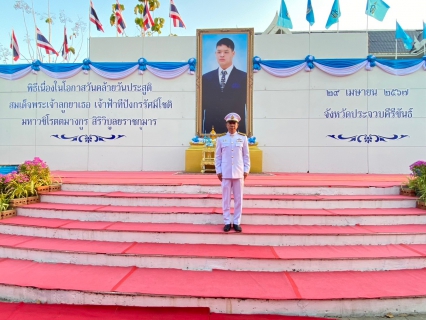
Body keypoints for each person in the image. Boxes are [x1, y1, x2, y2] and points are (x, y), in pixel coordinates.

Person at [202, 38, 247, 134]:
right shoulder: (206, 78)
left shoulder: (244, 77)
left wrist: (243, 134)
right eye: (219, 52)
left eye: (226, 52)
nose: (222, 55)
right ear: (215, 54)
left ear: (233, 53)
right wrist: (202, 133)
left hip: (235, 132)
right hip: (211, 132)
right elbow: (202, 107)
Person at [215, 112, 250, 232]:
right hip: (225, 173)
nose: (232, 125)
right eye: (230, 123)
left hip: (239, 172)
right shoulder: (221, 139)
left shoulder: (243, 138)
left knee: (238, 198)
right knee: (226, 199)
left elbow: (246, 156)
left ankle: (236, 222)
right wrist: (218, 171)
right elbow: (218, 157)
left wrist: (246, 170)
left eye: (234, 123)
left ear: (237, 125)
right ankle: (226, 221)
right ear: (226, 125)